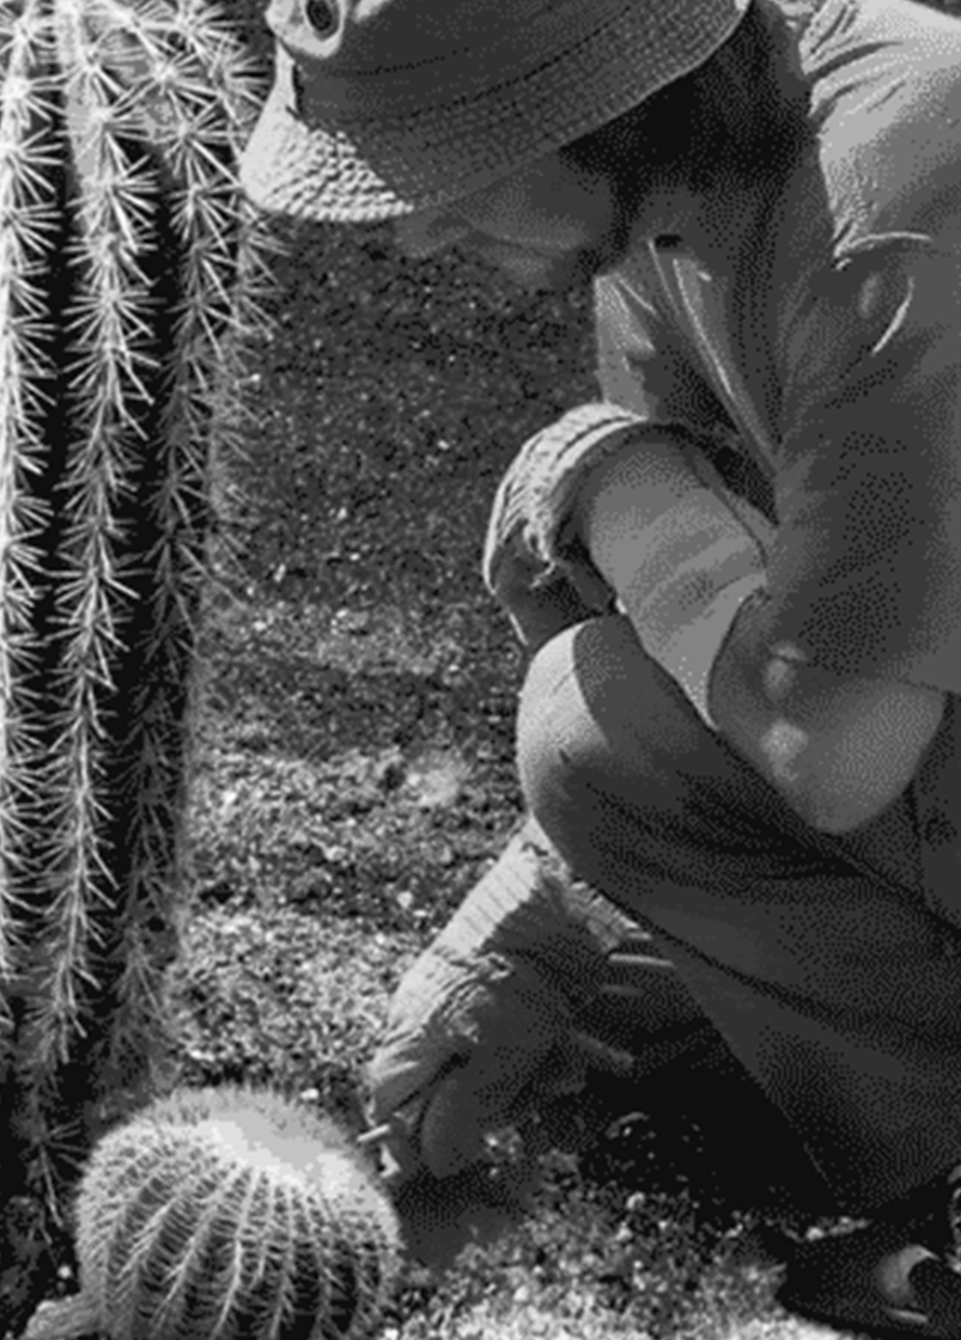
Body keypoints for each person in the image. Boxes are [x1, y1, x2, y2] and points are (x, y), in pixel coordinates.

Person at [239, 0, 961, 1333]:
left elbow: (828, 743)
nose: (406, 232)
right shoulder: (667, 190)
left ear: (595, 102)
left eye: (440, 169)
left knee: (589, 716)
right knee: (602, 848)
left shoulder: (896, 191)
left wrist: (624, 493)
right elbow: (706, 630)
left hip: (879, 736)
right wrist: (529, 930)